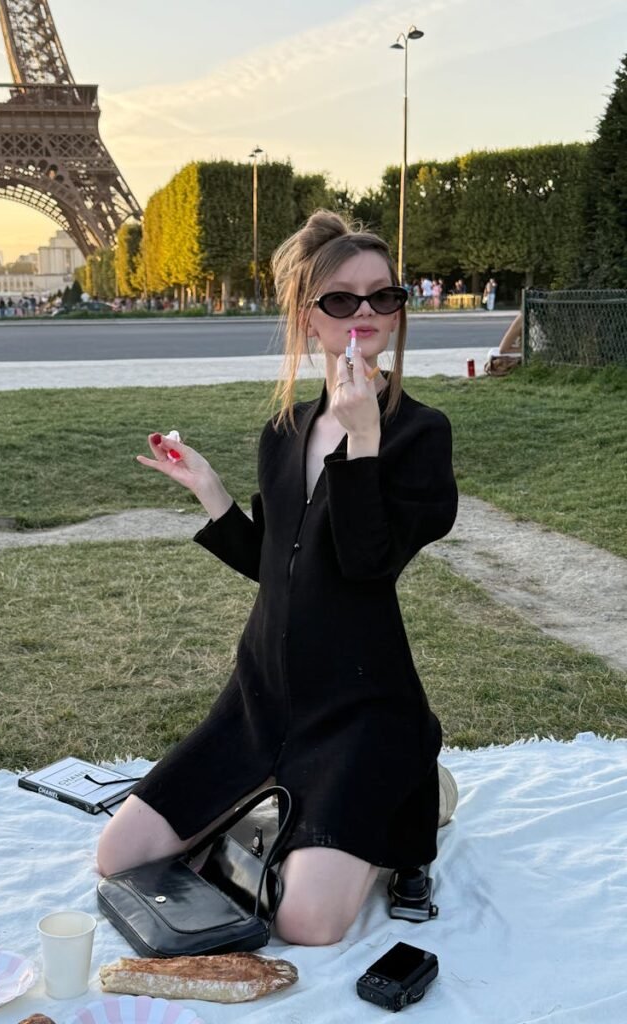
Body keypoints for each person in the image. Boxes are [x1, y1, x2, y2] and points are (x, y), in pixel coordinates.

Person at [96, 210, 458, 946]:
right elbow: (278, 570)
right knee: (117, 856)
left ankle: (412, 785)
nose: (363, 313)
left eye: (382, 297)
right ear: (308, 318)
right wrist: (211, 493)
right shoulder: (283, 431)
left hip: (361, 706)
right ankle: (287, 808)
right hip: (261, 695)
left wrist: (363, 440)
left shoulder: (420, 434)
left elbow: (366, 565)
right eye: (340, 300)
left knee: (306, 923)